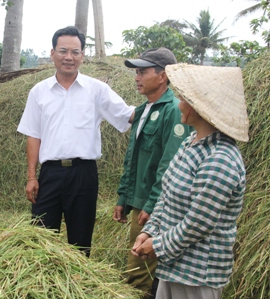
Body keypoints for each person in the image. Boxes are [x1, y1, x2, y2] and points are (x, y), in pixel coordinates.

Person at [132, 64, 249, 299]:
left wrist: (158, 245)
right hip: (173, 267)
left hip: (197, 275)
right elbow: (166, 198)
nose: (180, 104)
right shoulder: (190, 144)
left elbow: (198, 223)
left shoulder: (220, 158)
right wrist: (149, 231)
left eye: (185, 99)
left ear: (201, 109)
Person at [17, 26, 135, 257]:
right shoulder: (39, 92)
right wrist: (32, 177)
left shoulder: (97, 90)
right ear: (52, 54)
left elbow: (127, 115)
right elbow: (33, 135)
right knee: (40, 239)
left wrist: (158, 105)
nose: (68, 57)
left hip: (84, 174)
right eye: (63, 51)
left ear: (82, 56)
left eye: (75, 52)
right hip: (50, 174)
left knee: (80, 241)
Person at [112, 47, 191, 298]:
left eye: (142, 72)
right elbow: (133, 158)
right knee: (144, 267)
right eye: (136, 72)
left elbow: (171, 164)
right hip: (140, 201)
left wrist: (153, 204)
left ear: (162, 76)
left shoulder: (173, 111)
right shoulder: (146, 109)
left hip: (155, 205)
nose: (137, 77)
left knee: (138, 272)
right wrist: (123, 197)